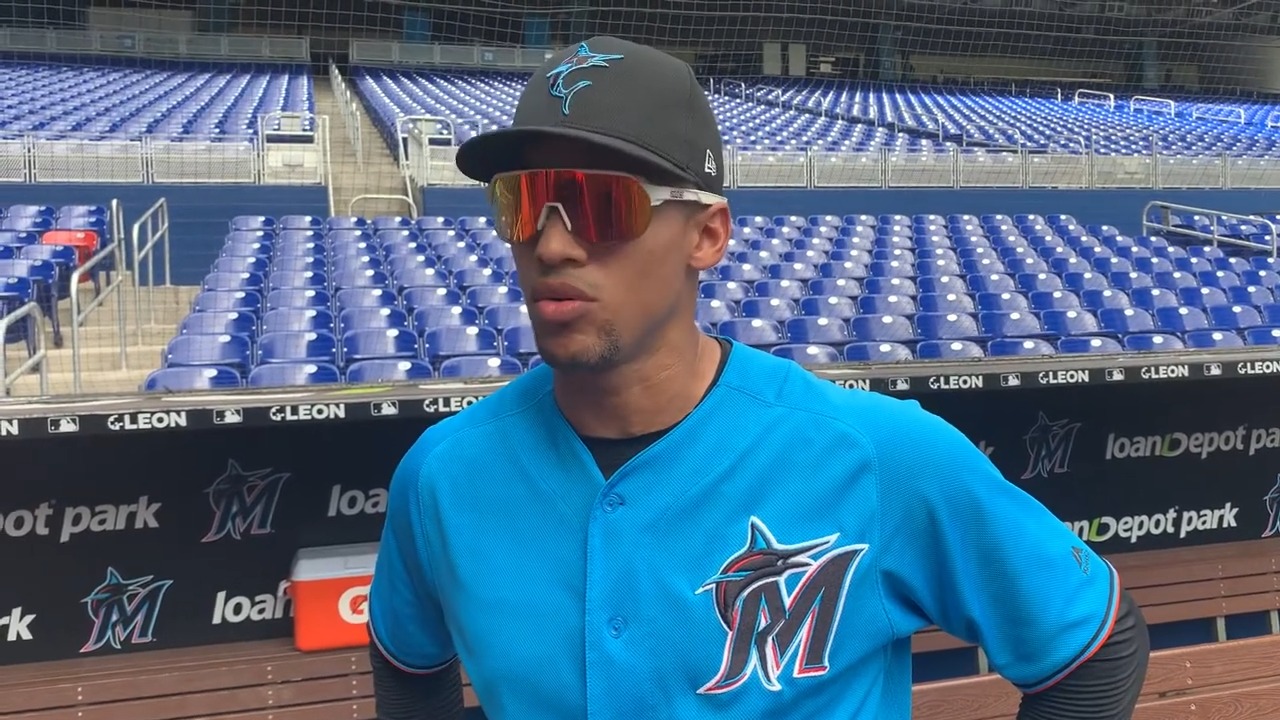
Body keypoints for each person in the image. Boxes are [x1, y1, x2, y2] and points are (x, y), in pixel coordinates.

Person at [367, 35, 1150, 720]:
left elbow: (1094, 647)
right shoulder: (442, 473)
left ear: (707, 236)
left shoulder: (882, 454)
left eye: (600, 204)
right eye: (524, 203)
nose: (551, 244)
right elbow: (409, 668)